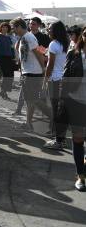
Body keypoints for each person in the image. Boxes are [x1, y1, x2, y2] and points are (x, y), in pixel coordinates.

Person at [61, 27, 86, 191]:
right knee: (78, 140)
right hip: (77, 103)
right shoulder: (74, 54)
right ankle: (81, 177)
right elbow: (65, 78)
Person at [11, 18, 46, 131]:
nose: (13, 31)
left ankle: (29, 123)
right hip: (29, 73)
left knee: (31, 100)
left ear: (19, 27)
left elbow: (39, 54)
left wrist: (43, 69)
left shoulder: (29, 37)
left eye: (14, 28)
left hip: (33, 73)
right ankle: (28, 123)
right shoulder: (24, 38)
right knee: (30, 100)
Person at [43, 21, 69, 150]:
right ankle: (58, 135)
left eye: (50, 28)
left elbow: (50, 64)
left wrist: (45, 78)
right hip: (64, 78)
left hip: (54, 79)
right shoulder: (67, 43)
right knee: (60, 109)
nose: (48, 30)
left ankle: (58, 138)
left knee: (55, 109)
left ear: (55, 31)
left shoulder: (53, 44)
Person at [0, 22, 14, 100]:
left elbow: (11, 48)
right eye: (3, 27)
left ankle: (3, 90)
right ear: (0, 28)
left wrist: (15, 57)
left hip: (9, 57)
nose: (4, 28)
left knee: (10, 75)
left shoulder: (9, 38)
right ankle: (3, 91)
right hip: (1, 57)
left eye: (6, 27)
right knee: (5, 75)